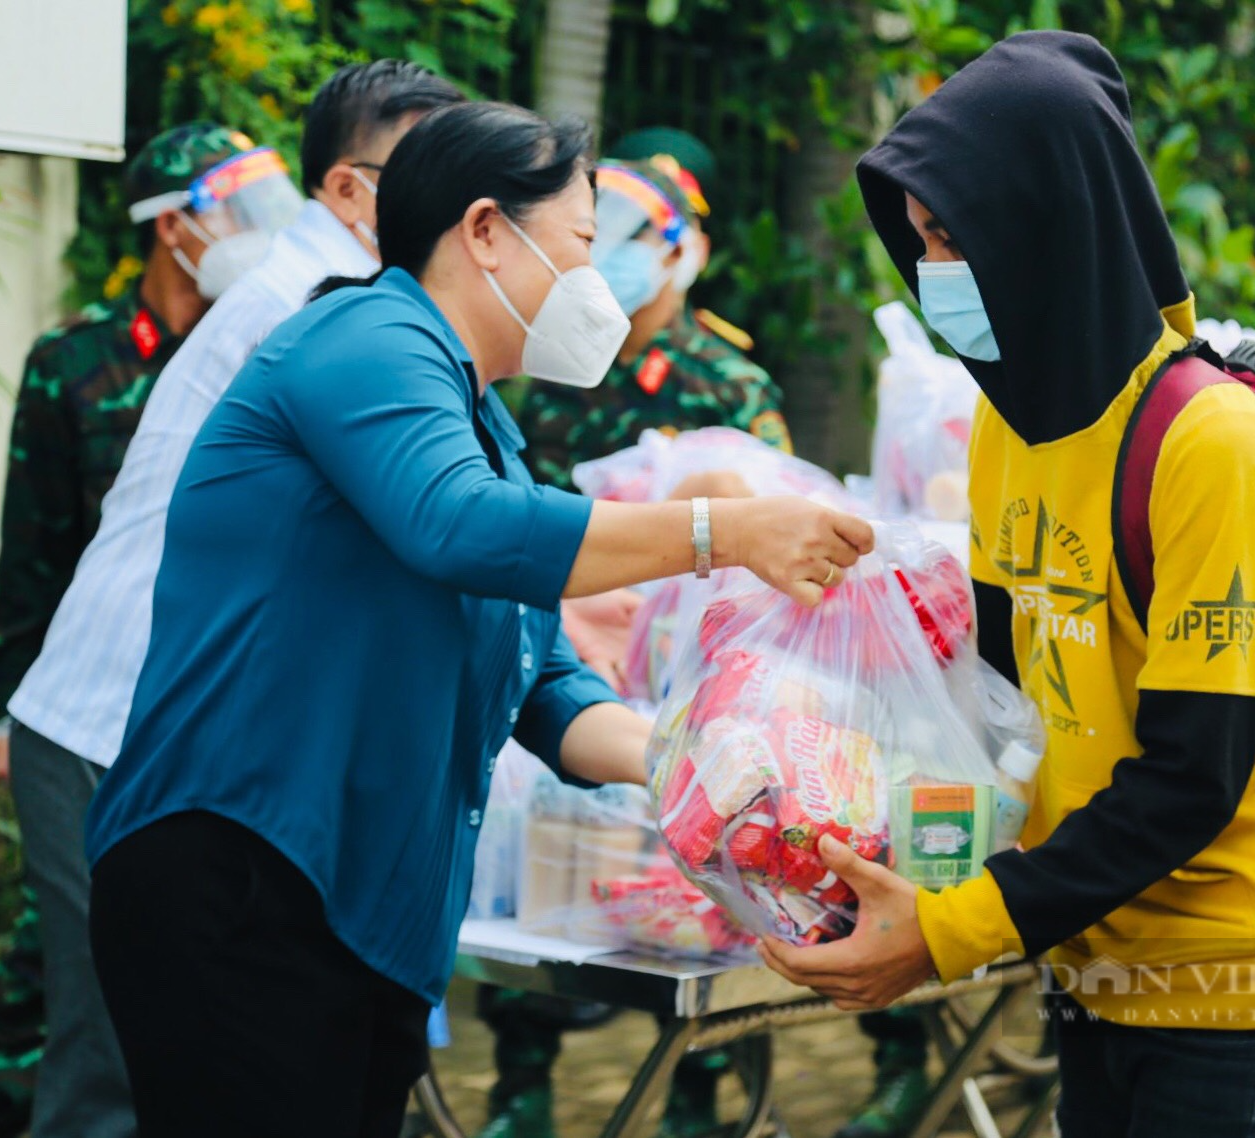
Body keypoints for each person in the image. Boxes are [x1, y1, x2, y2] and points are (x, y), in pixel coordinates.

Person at [82, 99, 873, 1138]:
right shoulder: (363, 335)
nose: (596, 281)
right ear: (487, 230)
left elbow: (540, 678)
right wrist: (723, 531)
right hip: (243, 871)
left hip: (353, 903)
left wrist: (699, 758)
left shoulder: (482, 422)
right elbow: (452, 525)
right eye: (585, 244)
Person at [761, 33, 1255, 1138]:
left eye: (955, 236)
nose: (933, 267)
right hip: (1088, 954)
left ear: (1049, 223)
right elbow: (996, 697)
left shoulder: (1211, 443)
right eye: (921, 239)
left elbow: (1191, 777)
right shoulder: (1007, 421)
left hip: (1234, 973)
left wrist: (952, 929)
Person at [0, 58, 459, 1138]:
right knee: (113, 1058)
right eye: (431, 172)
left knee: (170, 1051)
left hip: (170, 727)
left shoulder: (352, 303)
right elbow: (446, 520)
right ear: (348, 190)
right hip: (112, 721)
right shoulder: (320, 311)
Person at [0, 121, 295, 1138]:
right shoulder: (77, 364)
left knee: (119, 972)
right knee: (78, 971)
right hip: (86, 718)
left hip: (205, 727)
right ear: (175, 225)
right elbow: (33, 566)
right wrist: (9, 717)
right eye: (240, 207)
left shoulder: (270, 349)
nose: (263, 233)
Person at [520, 158, 790, 491]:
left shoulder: (730, 387)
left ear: (676, 253)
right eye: (595, 233)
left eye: (631, 235)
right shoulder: (559, 371)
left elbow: (775, 511)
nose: (606, 249)